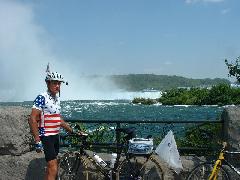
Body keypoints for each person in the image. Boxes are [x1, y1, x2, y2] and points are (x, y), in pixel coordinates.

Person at [29, 66, 84, 180]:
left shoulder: (57, 99)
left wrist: (72, 131)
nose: (57, 86)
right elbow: (33, 118)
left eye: (59, 83)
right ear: (48, 83)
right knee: (53, 167)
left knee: (52, 167)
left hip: (55, 135)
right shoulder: (42, 97)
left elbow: (58, 119)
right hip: (46, 136)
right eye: (55, 83)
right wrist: (37, 140)